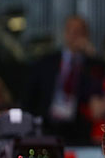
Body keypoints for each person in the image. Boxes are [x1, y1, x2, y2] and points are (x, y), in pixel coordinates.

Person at [25, 15, 96, 145]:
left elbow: (95, 89)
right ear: (64, 33)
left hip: (78, 127)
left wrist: (90, 57)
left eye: (79, 31)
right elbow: (30, 97)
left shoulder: (92, 65)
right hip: (48, 124)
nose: (74, 35)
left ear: (86, 35)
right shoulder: (46, 62)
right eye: (71, 30)